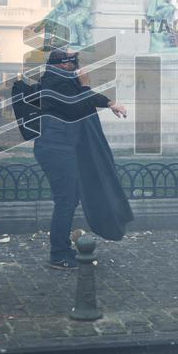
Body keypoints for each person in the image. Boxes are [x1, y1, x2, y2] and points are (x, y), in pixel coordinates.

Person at [33, 48, 129, 269]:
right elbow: (79, 106)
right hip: (56, 150)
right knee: (66, 201)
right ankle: (58, 255)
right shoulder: (53, 84)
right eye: (73, 63)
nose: (77, 67)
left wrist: (109, 102)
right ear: (62, 65)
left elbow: (84, 99)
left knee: (69, 199)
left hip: (61, 149)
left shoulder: (59, 81)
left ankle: (62, 249)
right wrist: (85, 84)